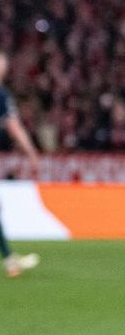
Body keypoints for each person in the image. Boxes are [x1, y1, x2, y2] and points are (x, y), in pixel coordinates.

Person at [0, 51, 41, 279]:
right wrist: (32, 154)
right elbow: (14, 128)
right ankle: (9, 259)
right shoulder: (2, 95)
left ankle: (9, 259)